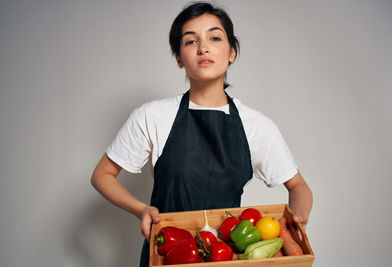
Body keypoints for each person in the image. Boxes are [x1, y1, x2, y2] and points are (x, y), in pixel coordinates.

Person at [91, 2, 313, 267]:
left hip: (225, 257)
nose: (203, 47)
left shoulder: (257, 126)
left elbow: (299, 186)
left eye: (215, 37)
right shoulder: (151, 116)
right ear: (178, 58)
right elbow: (102, 176)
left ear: (231, 52)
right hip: (168, 255)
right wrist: (141, 210)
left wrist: (295, 223)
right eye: (190, 41)